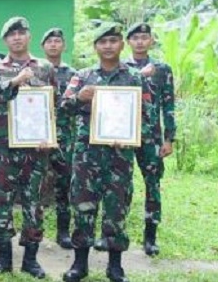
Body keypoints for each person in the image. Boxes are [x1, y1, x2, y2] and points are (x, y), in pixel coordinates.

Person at [60, 22, 154, 282]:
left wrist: (132, 137)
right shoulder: (82, 76)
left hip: (119, 156)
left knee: (117, 207)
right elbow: (61, 108)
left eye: (113, 41)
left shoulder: (134, 78)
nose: (108, 46)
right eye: (103, 42)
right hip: (87, 155)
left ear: (121, 44)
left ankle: (115, 266)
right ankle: (80, 264)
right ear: (95, 47)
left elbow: (146, 116)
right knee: (82, 205)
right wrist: (79, 97)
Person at [0, 16, 56, 279]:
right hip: (4, 148)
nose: (16, 37)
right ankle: (4, 259)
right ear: (5, 40)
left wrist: (48, 135)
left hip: (36, 149)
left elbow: (52, 105)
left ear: (28, 36)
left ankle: (31, 260)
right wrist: (15, 81)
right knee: (2, 201)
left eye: (21, 33)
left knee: (34, 204)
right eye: (11, 34)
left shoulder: (45, 67)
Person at [124, 22, 175, 257]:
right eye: (135, 38)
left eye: (144, 37)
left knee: (152, 185)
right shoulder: (121, 67)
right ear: (128, 42)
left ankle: (150, 237)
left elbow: (168, 105)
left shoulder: (162, 69)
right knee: (120, 185)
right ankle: (115, 232)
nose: (140, 41)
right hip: (122, 134)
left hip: (151, 136)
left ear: (151, 41)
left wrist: (169, 138)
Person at [40, 27, 77, 250]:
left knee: (64, 183)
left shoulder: (74, 74)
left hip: (63, 134)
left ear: (63, 46)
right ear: (43, 46)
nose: (53, 45)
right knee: (35, 183)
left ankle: (63, 231)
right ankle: (33, 230)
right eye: (49, 41)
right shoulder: (35, 70)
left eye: (57, 41)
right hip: (35, 134)